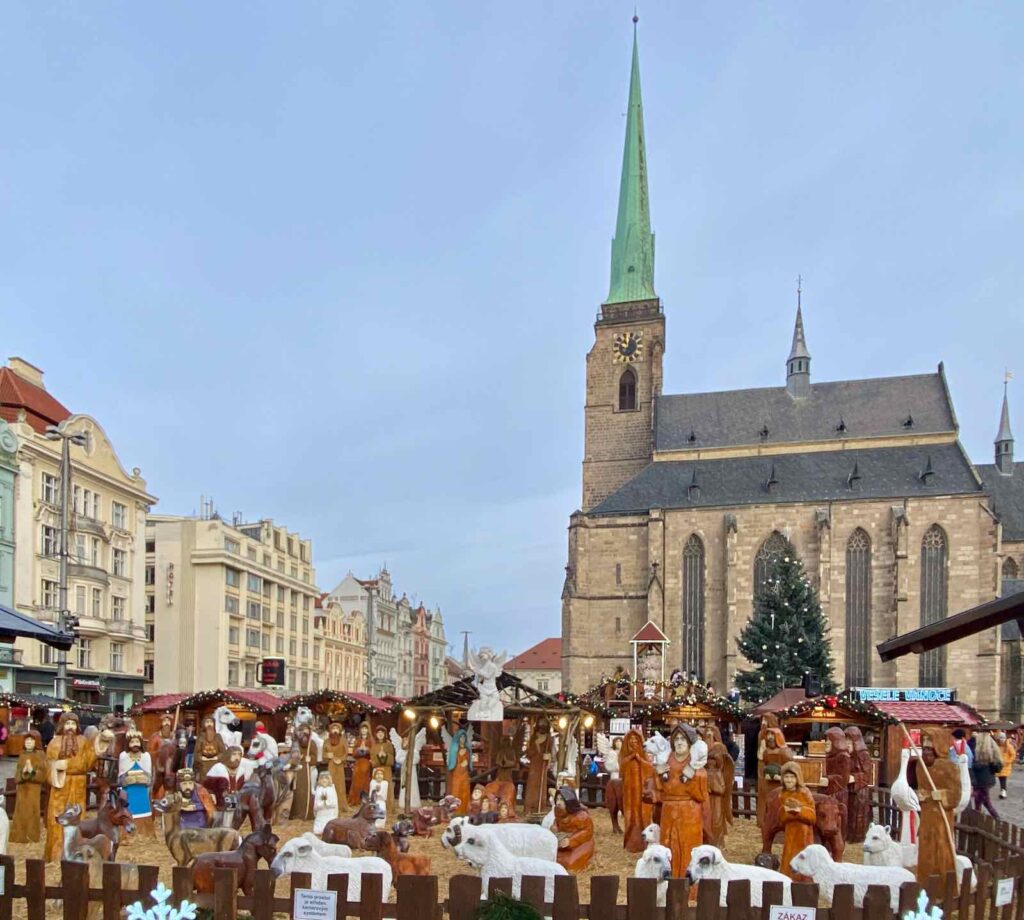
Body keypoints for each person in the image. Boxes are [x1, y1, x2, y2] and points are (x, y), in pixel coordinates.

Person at [653, 725, 708, 878]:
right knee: (668, 845)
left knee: (687, 845)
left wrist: (693, 775)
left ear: (690, 742)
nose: (679, 742)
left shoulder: (695, 762)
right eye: (676, 739)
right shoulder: (666, 760)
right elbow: (659, 785)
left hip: (688, 810)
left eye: (683, 738)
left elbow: (701, 791)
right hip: (669, 809)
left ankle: (687, 884)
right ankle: (667, 884)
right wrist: (659, 775)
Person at [44, 712, 99, 862]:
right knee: (58, 816)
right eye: (67, 724)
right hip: (61, 784)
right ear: (62, 725)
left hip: (78, 783)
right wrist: (56, 767)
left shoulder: (83, 742)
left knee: (78, 816)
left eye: (73, 724)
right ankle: (56, 853)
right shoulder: (54, 743)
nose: (70, 727)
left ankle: (76, 852)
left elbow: (89, 762)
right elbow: (48, 765)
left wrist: (98, 748)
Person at [916, 729, 961, 886]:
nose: (925, 753)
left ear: (937, 749)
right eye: (924, 749)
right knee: (925, 847)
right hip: (927, 814)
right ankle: (924, 881)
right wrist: (922, 795)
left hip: (942, 817)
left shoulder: (950, 768)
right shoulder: (921, 767)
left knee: (941, 847)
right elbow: (922, 788)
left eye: (929, 749)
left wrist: (942, 795)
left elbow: (956, 795)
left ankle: (943, 885)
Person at [777, 762, 816, 880]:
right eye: (786, 777)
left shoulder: (805, 793)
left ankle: (803, 881)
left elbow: (813, 816)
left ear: (797, 778)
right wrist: (786, 811)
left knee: (802, 856)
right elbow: (781, 818)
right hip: (790, 832)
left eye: (792, 777)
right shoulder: (782, 794)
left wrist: (799, 810)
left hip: (804, 834)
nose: (789, 780)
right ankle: (788, 879)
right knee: (789, 855)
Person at [620, 728, 654, 853]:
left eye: (636, 739)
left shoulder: (643, 758)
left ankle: (643, 840)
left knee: (642, 814)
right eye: (631, 739)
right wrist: (630, 758)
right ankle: (631, 840)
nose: (633, 742)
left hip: (641, 793)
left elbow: (650, 769)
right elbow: (622, 769)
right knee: (631, 815)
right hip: (629, 794)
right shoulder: (625, 759)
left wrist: (639, 759)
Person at [10, 731, 46, 844]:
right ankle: (19, 836)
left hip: (33, 789)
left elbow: (44, 773)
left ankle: (31, 836)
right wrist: (22, 772)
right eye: (26, 740)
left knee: (32, 811)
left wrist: (32, 772)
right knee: (20, 812)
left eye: (31, 740)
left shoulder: (40, 755)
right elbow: (17, 774)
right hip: (22, 789)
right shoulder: (22, 754)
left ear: (36, 742)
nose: (28, 742)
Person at [553, 786, 595, 872]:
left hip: (581, 843)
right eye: (557, 799)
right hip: (562, 844)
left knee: (570, 864)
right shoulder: (559, 812)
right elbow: (556, 823)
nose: (558, 803)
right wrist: (554, 828)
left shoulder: (581, 816)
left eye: (562, 799)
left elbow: (587, 832)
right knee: (554, 860)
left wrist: (570, 841)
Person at [117, 729, 154, 821]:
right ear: (128, 743)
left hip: (142, 791)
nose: (135, 744)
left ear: (141, 743)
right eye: (132, 741)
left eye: (137, 741)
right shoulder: (123, 756)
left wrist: (144, 779)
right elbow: (120, 778)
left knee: (144, 811)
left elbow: (149, 778)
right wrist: (126, 780)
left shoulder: (146, 756)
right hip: (129, 791)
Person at [970, 730, 1001, 818]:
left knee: (986, 803)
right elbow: (997, 768)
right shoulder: (992, 750)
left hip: (981, 782)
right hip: (987, 781)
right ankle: (977, 821)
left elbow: (976, 767)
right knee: (978, 802)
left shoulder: (979, 752)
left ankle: (998, 820)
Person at [322, 721, 350, 813]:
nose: (335, 731)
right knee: (330, 783)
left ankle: (341, 804)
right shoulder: (326, 741)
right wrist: (327, 756)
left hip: (339, 766)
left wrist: (341, 759)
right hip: (331, 765)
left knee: (340, 785)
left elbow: (346, 754)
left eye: (337, 729)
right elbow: (323, 755)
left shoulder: (343, 741)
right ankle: (330, 804)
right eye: (333, 729)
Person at [445, 727, 472, 816]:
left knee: (465, 792)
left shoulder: (468, 750)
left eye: (464, 737)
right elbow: (452, 763)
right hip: (457, 774)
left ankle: (464, 810)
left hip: (464, 774)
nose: (463, 739)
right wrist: (460, 764)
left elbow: (469, 761)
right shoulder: (454, 750)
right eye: (461, 737)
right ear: (458, 738)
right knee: (456, 791)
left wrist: (467, 763)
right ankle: (455, 811)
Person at [348, 721, 373, 806]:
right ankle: (355, 799)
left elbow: (373, 751)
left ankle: (364, 800)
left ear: (368, 730)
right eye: (362, 729)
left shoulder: (370, 740)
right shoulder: (358, 740)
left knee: (365, 782)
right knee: (356, 781)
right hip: (358, 763)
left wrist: (366, 750)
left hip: (366, 762)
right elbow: (354, 752)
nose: (364, 730)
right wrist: (359, 750)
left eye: (365, 729)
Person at [996, 731, 1016, 798]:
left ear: (1005, 738)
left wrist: (1007, 761)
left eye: (1003, 738)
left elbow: (1013, 755)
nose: (1002, 740)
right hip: (999, 765)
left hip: (1005, 766)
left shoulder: (1009, 746)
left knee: (1003, 779)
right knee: (1001, 778)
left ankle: (1003, 792)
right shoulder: (998, 746)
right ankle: (1003, 791)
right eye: (1000, 738)